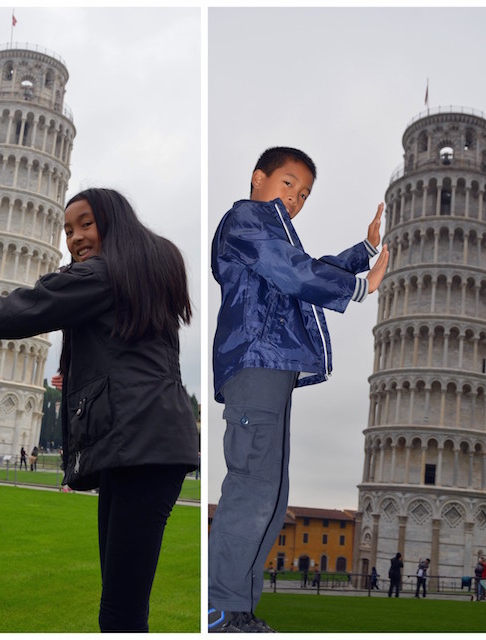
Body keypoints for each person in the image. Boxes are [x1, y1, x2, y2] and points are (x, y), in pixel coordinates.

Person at [0, 187, 199, 631]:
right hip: (148, 442)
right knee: (123, 603)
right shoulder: (140, 275)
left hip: (139, 444)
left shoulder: (102, 276)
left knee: (120, 610)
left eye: (86, 224)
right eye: (67, 230)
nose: (75, 237)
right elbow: (131, 355)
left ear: (114, 224)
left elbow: (27, 308)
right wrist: (81, 375)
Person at [207, 147, 389, 633]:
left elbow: (302, 267)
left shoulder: (264, 235)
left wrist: (363, 251)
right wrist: (360, 286)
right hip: (256, 362)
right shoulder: (245, 219)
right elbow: (292, 270)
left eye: (305, 193)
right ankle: (219, 609)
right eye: (288, 184)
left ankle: (237, 610)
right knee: (251, 488)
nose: (296, 198)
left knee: (270, 494)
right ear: (258, 178)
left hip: (272, 367)